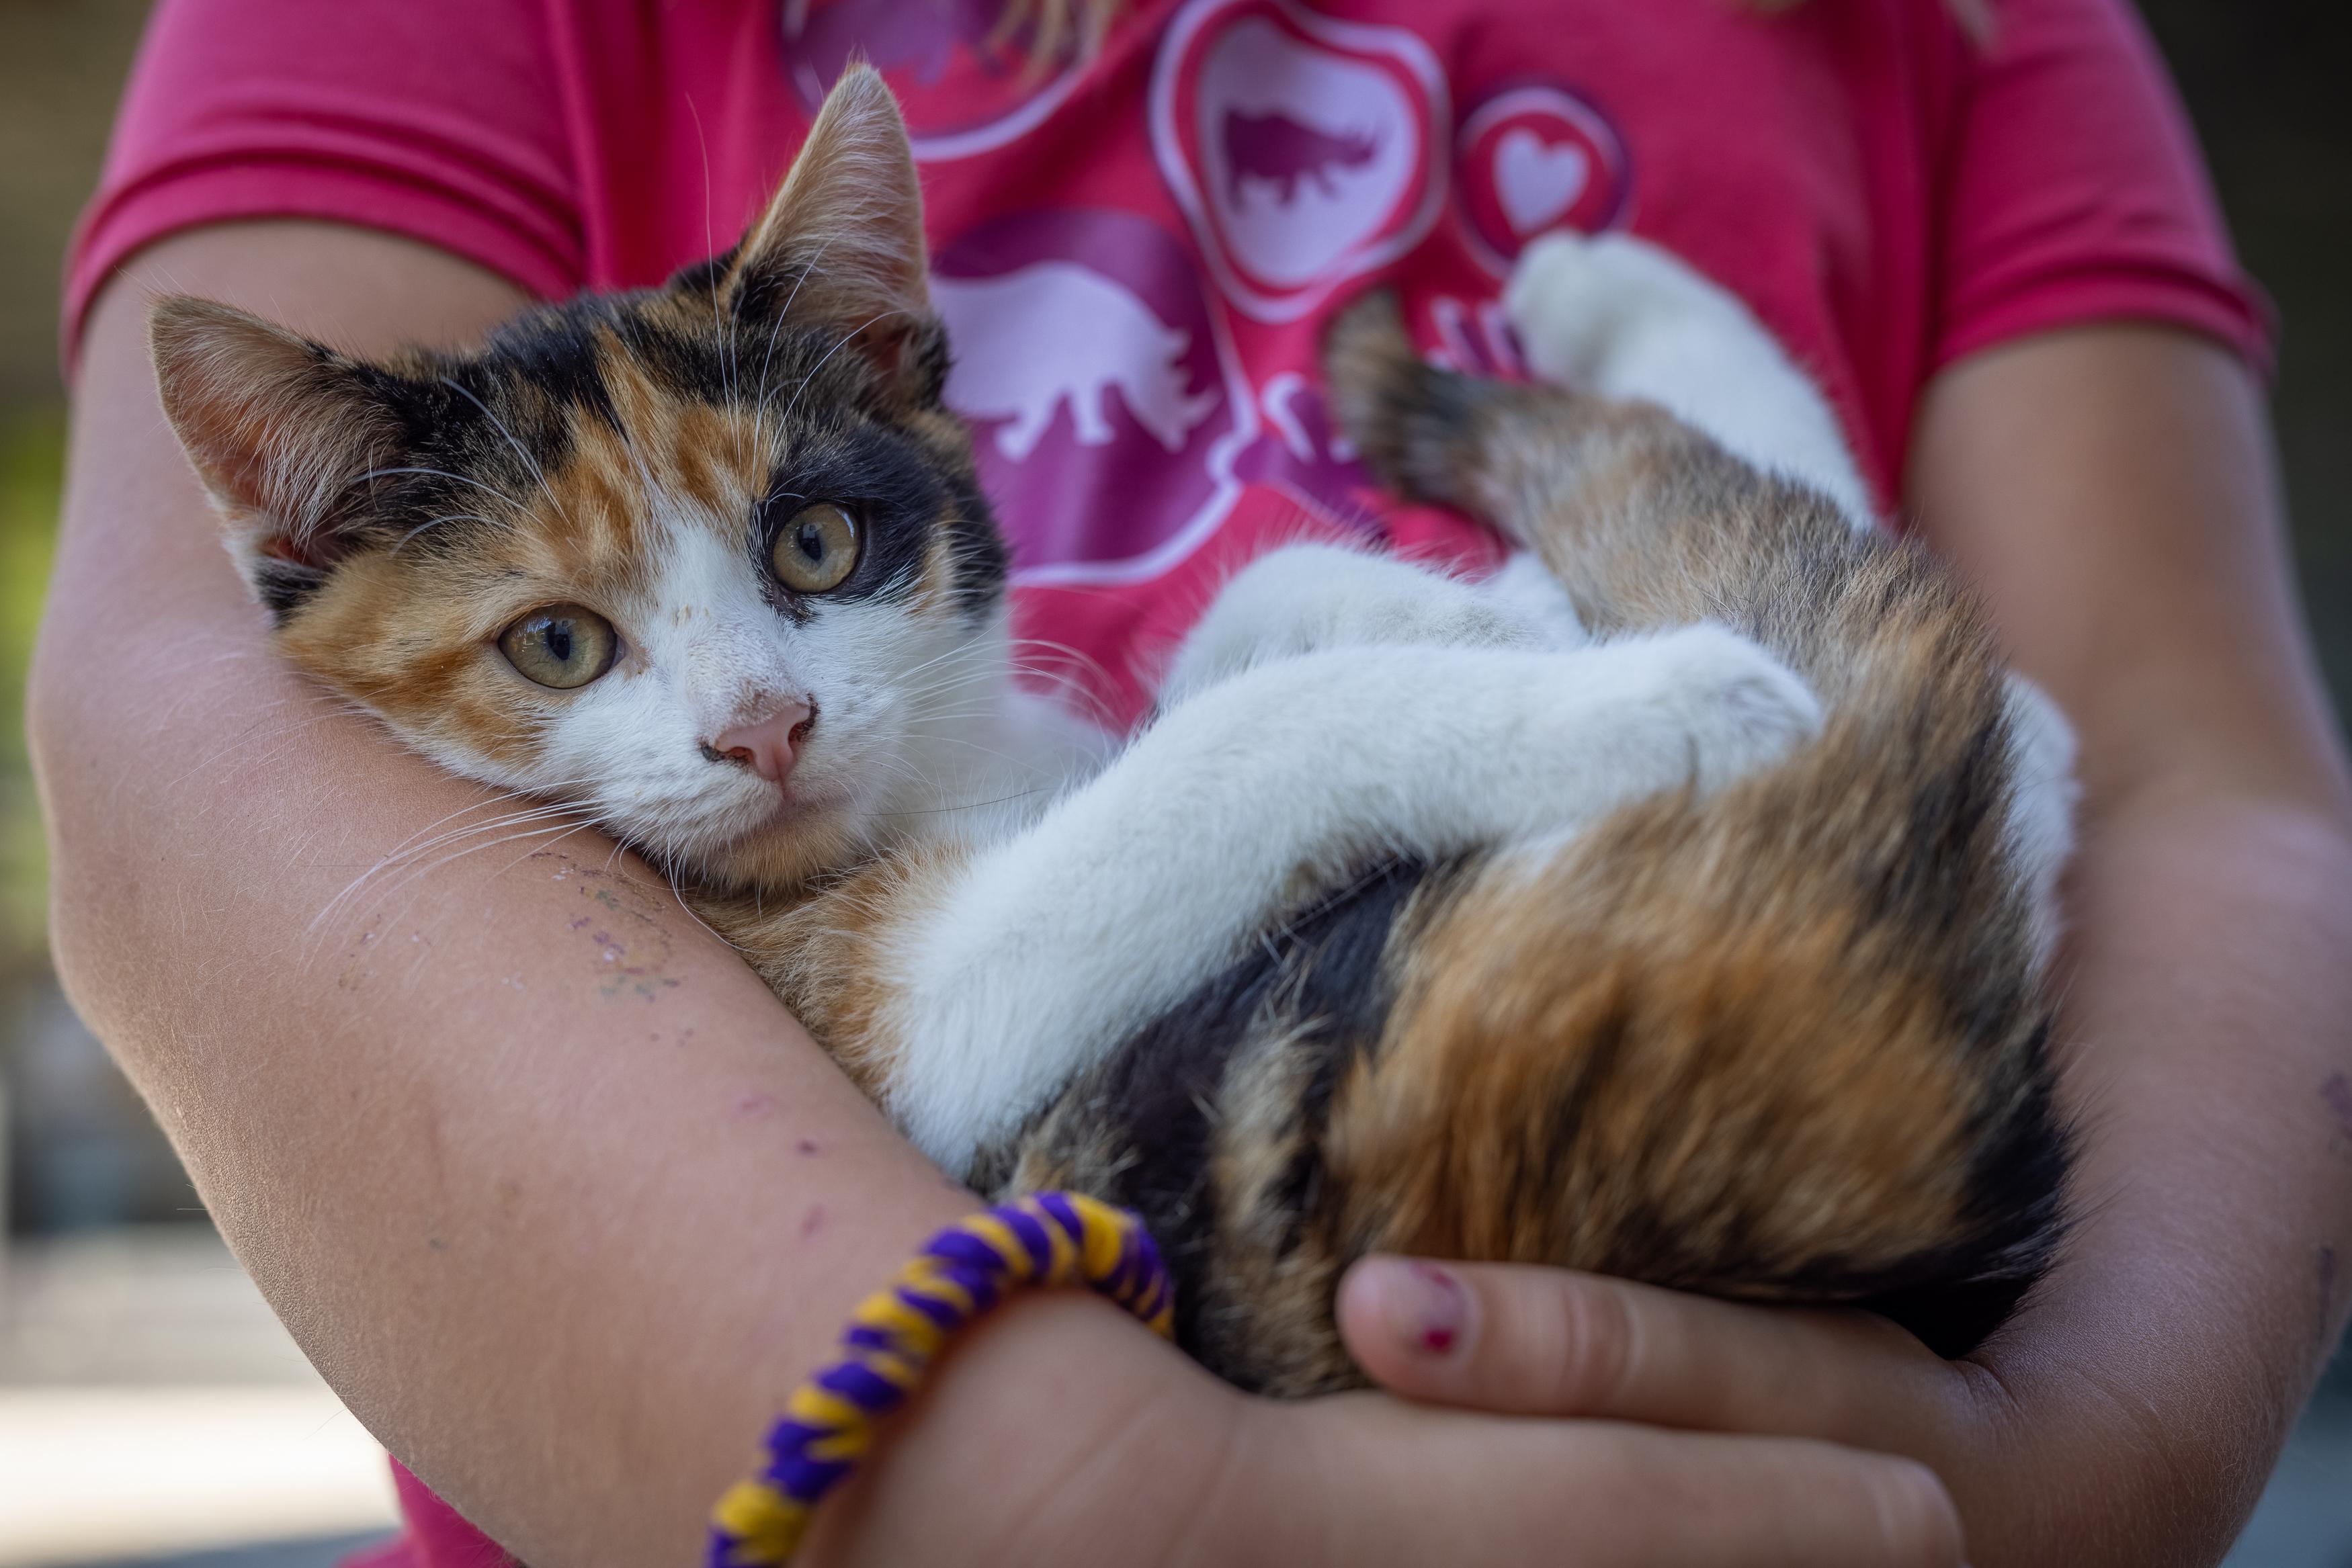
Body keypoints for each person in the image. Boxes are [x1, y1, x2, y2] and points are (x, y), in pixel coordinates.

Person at [36, 0, 2351, 1563]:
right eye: (566, 646)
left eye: (814, 554)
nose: (750, 720)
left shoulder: (1963, 30)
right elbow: (183, 757)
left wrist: (2085, 1472)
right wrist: (1057, 1498)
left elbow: (2208, 781)